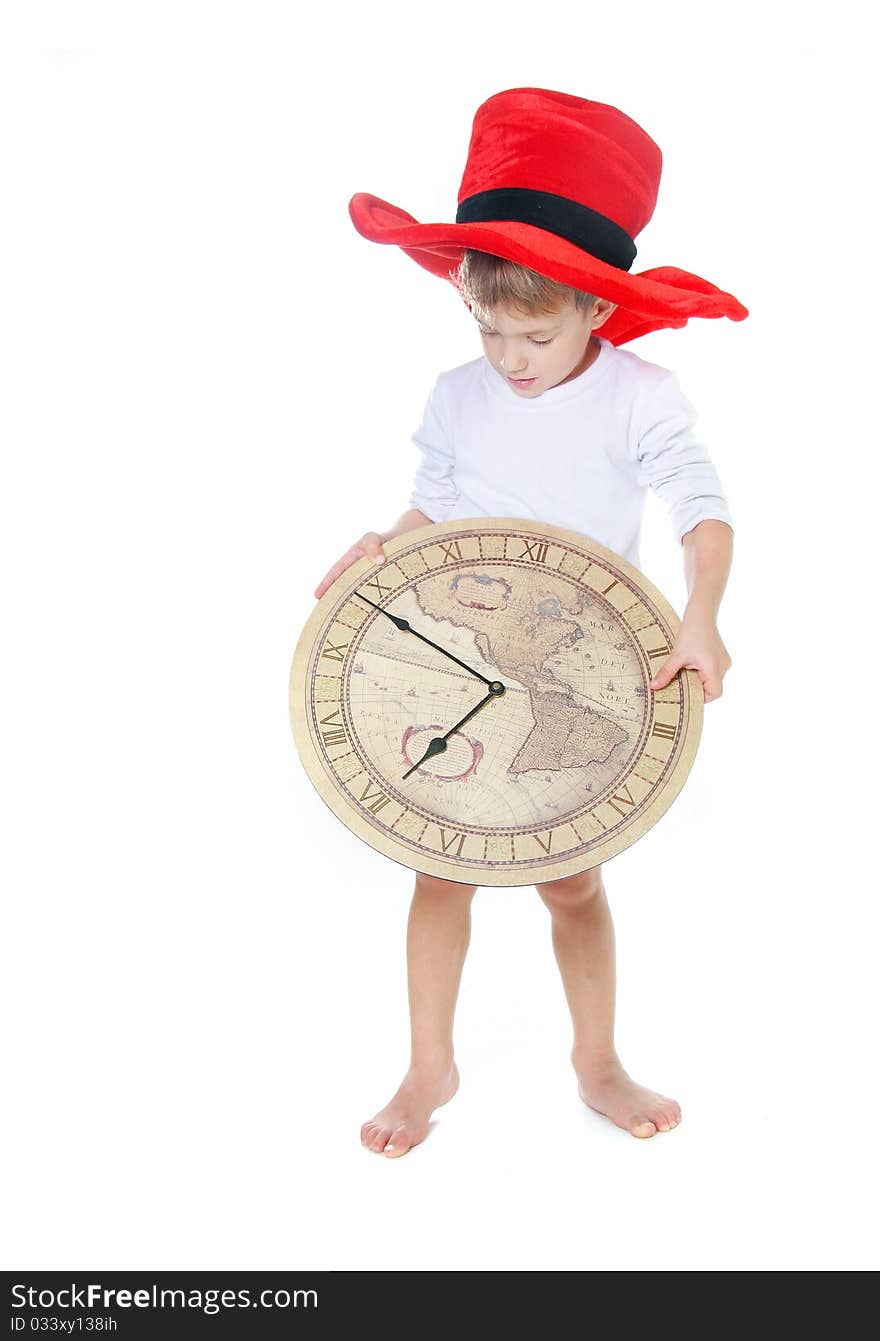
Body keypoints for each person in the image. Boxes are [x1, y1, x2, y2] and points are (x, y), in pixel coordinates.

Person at [313, 88, 746, 1157]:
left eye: (535, 332)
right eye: (488, 325)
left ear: (597, 310)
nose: (508, 354)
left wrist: (701, 617)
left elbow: (702, 509)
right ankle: (429, 1067)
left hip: (579, 672)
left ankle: (594, 1060)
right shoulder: (459, 394)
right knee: (437, 864)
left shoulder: (639, 397)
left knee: (571, 878)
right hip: (463, 657)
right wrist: (389, 540)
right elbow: (440, 504)